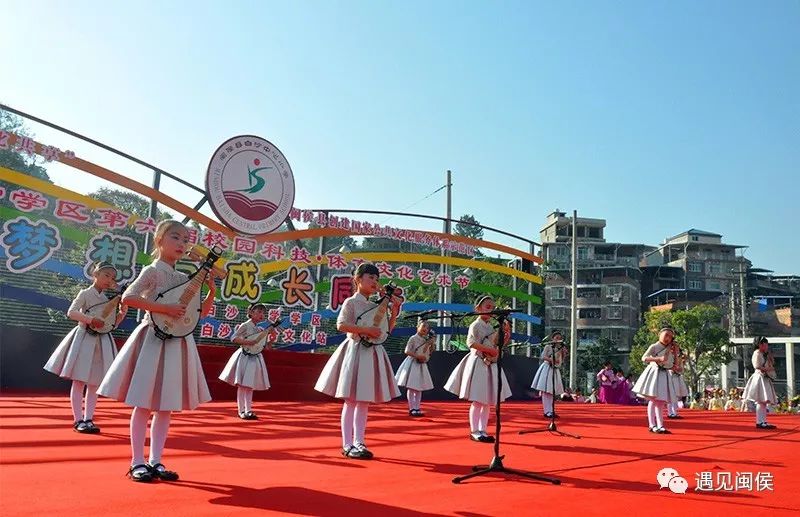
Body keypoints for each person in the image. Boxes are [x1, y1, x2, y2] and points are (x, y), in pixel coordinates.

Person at [98, 220, 215, 482]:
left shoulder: (184, 279)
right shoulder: (152, 271)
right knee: (144, 403)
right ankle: (137, 462)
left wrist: (211, 292)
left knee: (166, 406)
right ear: (159, 239)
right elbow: (129, 297)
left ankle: (156, 460)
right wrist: (164, 309)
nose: (182, 244)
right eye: (176, 237)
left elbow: (199, 314)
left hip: (177, 341)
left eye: (185, 240)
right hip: (152, 337)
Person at [314, 263, 402, 459]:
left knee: (364, 400)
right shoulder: (351, 302)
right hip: (354, 350)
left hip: (371, 353)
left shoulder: (375, 305)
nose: (374, 281)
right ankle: (347, 444)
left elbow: (386, 330)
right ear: (358, 279)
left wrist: (394, 310)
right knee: (351, 400)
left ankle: (359, 442)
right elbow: (341, 325)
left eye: (376, 278)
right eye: (370, 277)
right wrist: (365, 330)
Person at [44, 262, 127, 434]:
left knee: (94, 383)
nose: (109, 280)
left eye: (112, 277)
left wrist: (122, 313)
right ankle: (78, 420)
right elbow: (71, 312)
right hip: (84, 339)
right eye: (106, 275)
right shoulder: (85, 294)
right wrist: (90, 320)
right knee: (79, 380)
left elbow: (110, 325)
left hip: (101, 341)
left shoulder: (107, 299)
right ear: (95, 274)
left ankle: (89, 418)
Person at [444, 295, 512, 443]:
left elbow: (498, 343)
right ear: (478, 309)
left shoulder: (491, 327)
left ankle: (483, 430)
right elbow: (471, 343)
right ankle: (475, 431)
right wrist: (490, 350)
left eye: (492, 307)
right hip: (478, 362)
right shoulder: (475, 325)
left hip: (490, 364)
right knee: (478, 399)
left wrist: (506, 333)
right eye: (487, 307)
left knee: (486, 401)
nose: (491, 310)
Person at [221, 303, 274, 420]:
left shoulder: (259, 329)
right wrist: (248, 342)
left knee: (249, 385)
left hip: (255, 358)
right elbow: (233, 338)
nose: (261, 314)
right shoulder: (245, 325)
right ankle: (241, 411)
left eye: (263, 312)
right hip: (245, 356)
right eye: (258, 311)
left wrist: (272, 337)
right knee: (242, 385)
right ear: (251, 312)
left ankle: (248, 410)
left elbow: (266, 347)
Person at [632, 327, 678, 433]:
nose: (668, 338)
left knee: (660, 401)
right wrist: (658, 359)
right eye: (666, 335)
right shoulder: (654, 346)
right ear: (659, 335)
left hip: (664, 374)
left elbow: (674, 365)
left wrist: (675, 352)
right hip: (654, 373)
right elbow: (644, 358)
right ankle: (652, 425)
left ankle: (659, 425)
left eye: (670, 337)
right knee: (653, 400)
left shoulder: (670, 348)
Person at [394, 319, 435, 417]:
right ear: (418, 327)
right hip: (413, 364)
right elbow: (407, 351)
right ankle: (412, 408)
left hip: (421, 364)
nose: (425, 329)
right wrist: (417, 356)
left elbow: (428, 352)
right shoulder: (413, 338)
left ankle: (417, 407)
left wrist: (431, 344)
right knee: (412, 387)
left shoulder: (426, 340)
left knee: (419, 388)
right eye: (423, 326)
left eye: (427, 327)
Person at [743, 336, 778, 429]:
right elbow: (757, 366)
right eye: (765, 344)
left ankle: (763, 421)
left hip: (764, 378)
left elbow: (772, 363)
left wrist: (769, 357)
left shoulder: (764, 354)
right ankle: (760, 422)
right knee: (760, 401)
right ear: (760, 344)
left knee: (763, 402)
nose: (766, 346)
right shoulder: (757, 353)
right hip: (760, 377)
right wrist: (768, 369)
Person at [530, 330, 567, 418]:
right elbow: (543, 356)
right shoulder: (548, 346)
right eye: (556, 338)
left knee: (551, 391)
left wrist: (564, 353)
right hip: (547, 368)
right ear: (553, 339)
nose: (558, 340)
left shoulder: (560, 348)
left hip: (555, 369)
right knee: (546, 391)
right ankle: (547, 411)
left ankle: (551, 410)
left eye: (560, 338)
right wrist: (551, 360)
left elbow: (561, 360)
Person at [667, 346, 689, 418]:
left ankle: (674, 412)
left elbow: (681, 369)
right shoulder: (668, 356)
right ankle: (670, 413)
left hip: (677, 377)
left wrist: (679, 369)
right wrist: (673, 369)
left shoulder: (679, 358)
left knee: (676, 395)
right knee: (670, 396)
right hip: (670, 376)